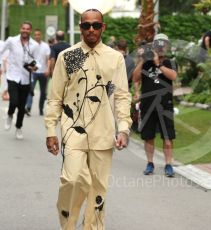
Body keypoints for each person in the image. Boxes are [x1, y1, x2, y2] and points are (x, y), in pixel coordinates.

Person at [44, 9, 132, 229]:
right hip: (73, 130)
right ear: (80, 27)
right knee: (72, 180)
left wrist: (123, 128)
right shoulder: (69, 57)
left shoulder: (115, 58)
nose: (90, 29)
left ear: (103, 27)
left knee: (98, 189)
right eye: (86, 25)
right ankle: (68, 224)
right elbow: (55, 97)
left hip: (103, 133)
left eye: (95, 25)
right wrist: (50, 130)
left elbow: (122, 96)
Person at [132, 33, 177, 177]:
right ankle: (150, 163)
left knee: (167, 137)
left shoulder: (170, 62)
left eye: (164, 44)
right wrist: (142, 60)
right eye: (159, 44)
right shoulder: (146, 63)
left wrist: (158, 63)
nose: (161, 47)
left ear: (167, 46)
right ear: (154, 45)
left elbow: (173, 76)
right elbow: (135, 77)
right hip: (148, 104)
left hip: (165, 104)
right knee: (148, 136)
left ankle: (168, 164)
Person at [0, 21, 40, 139]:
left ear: (30, 31)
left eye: (28, 29)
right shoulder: (12, 41)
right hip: (12, 76)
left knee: (22, 107)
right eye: (23, 28)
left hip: (26, 78)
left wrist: (35, 67)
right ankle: (9, 114)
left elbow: (37, 61)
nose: (25, 30)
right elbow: (1, 51)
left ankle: (18, 128)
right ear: (20, 29)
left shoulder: (34, 45)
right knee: (13, 102)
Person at [25, 29, 51, 116]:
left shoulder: (46, 46)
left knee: (43, 92)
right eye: (35, 35)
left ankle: (41, 109)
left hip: (43, 72)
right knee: (30, 90)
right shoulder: (31, 45)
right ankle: (28, 108)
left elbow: (48, 59)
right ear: (34, 36)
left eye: (38, 34)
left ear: (41, 35)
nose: (37, 36)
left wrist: (48, 69)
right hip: (34, 72)